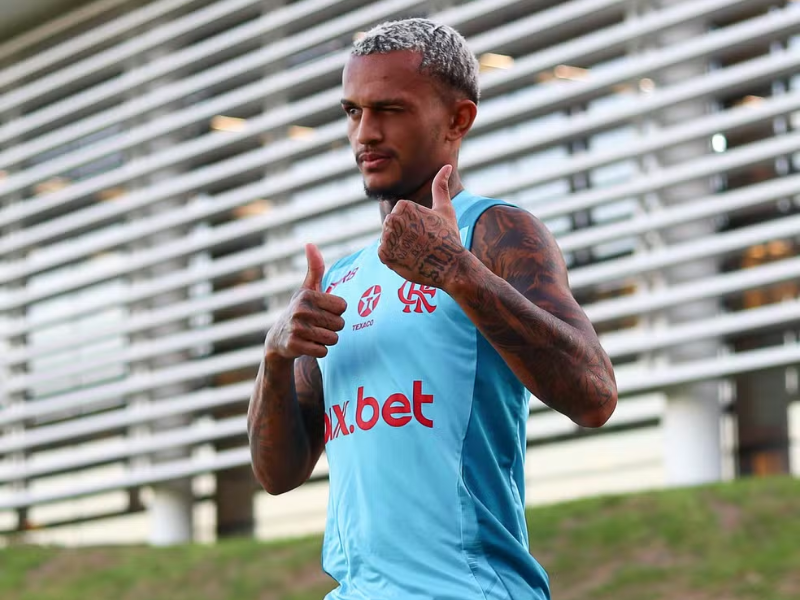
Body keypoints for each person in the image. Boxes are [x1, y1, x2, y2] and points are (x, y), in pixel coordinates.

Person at [247, 18, 617, 600]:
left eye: (389, 110)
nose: (364, 133)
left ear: (458, 119)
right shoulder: (340, 277)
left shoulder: (495, 231)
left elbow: (595, 393)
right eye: (352, 112)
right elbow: (277, 474)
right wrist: (273, 356)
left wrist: (458, 272)